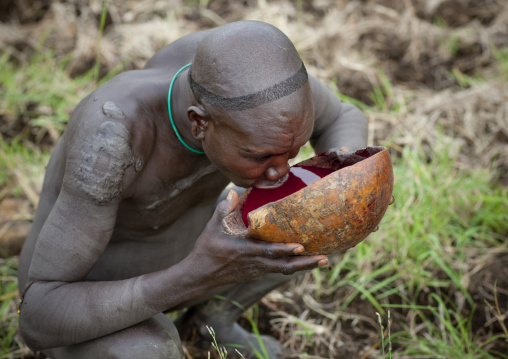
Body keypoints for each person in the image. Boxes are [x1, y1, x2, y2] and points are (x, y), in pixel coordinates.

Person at [17, 20, 368, 358]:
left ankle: (209, 322)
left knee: (332, 218)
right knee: (148, 351)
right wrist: (197, 274)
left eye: (291, 153)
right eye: (260, 156)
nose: (281, 172)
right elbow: (40, 316)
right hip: (90, 303)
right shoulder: (116, 136)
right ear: (199, 122)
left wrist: (343, 188)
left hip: (197, 265)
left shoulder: (258, 87)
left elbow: (342, 116)